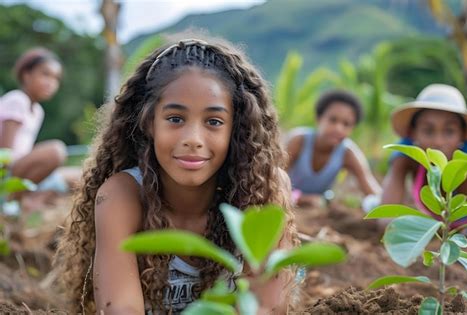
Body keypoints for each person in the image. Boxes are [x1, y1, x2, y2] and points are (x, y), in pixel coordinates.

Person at [54, 37, 299, 314]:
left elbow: (267, 307)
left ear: (236, 130)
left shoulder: (264, 190)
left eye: (214, 122)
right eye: (175, 119)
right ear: (149, 123)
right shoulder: (121, 196)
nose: (193, 139)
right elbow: (120, 309)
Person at [381, 83, 467, 229]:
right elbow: (385, 219)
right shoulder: (407, 155)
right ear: (413, 133)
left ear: (462, 134)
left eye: (449, 131)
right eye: (428, 131)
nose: (438, 141)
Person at [0, 48, 80, 210]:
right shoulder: (17, 100)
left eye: (56, 78)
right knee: (56, 151)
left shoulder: (37, 111)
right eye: (46, 74)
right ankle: (11, 202)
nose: (51, 83)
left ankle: (29, 201)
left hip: (23, 173)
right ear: (26, 75)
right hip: (6, 173)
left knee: (81, 177)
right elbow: (5, 154)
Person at [286, 90, 381, 207]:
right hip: (284, 201)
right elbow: (273, 181)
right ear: (318, 118)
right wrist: (302, 199)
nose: (338, 129)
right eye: (333, 120)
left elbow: (371, 189)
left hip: (317, 207)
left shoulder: (347, 152)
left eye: (346, 124)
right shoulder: (299, 141)